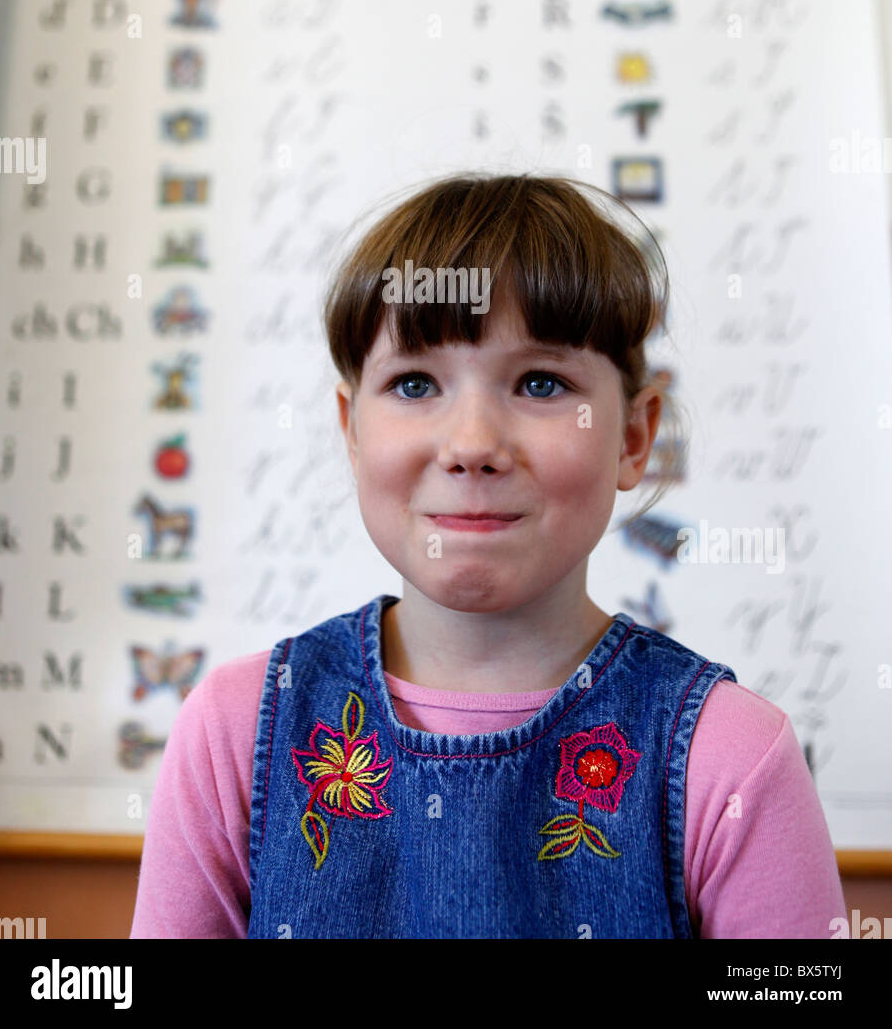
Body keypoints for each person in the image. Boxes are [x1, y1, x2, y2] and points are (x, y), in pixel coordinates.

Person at [130, 172, 846, 938]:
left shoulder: (732, 758)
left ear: (634, 439)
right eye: (413, 384)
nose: (472, 445)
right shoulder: (232, 735)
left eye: (540, 383)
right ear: (351, 430)